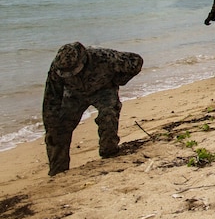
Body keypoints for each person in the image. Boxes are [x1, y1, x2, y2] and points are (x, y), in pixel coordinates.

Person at [42, 41, 143, 176]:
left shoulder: (104, 56)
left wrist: (118, 80)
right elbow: (51, 100)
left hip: (102, 90)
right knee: (57, 129)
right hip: (74, 95)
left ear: (82, 61)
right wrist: (50, 127)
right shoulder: (57, 68)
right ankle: (58, 170)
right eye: (67, 74)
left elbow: (136, 61)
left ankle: (109, 152)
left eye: (73, 72)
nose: (71, 75)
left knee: (108, 114)